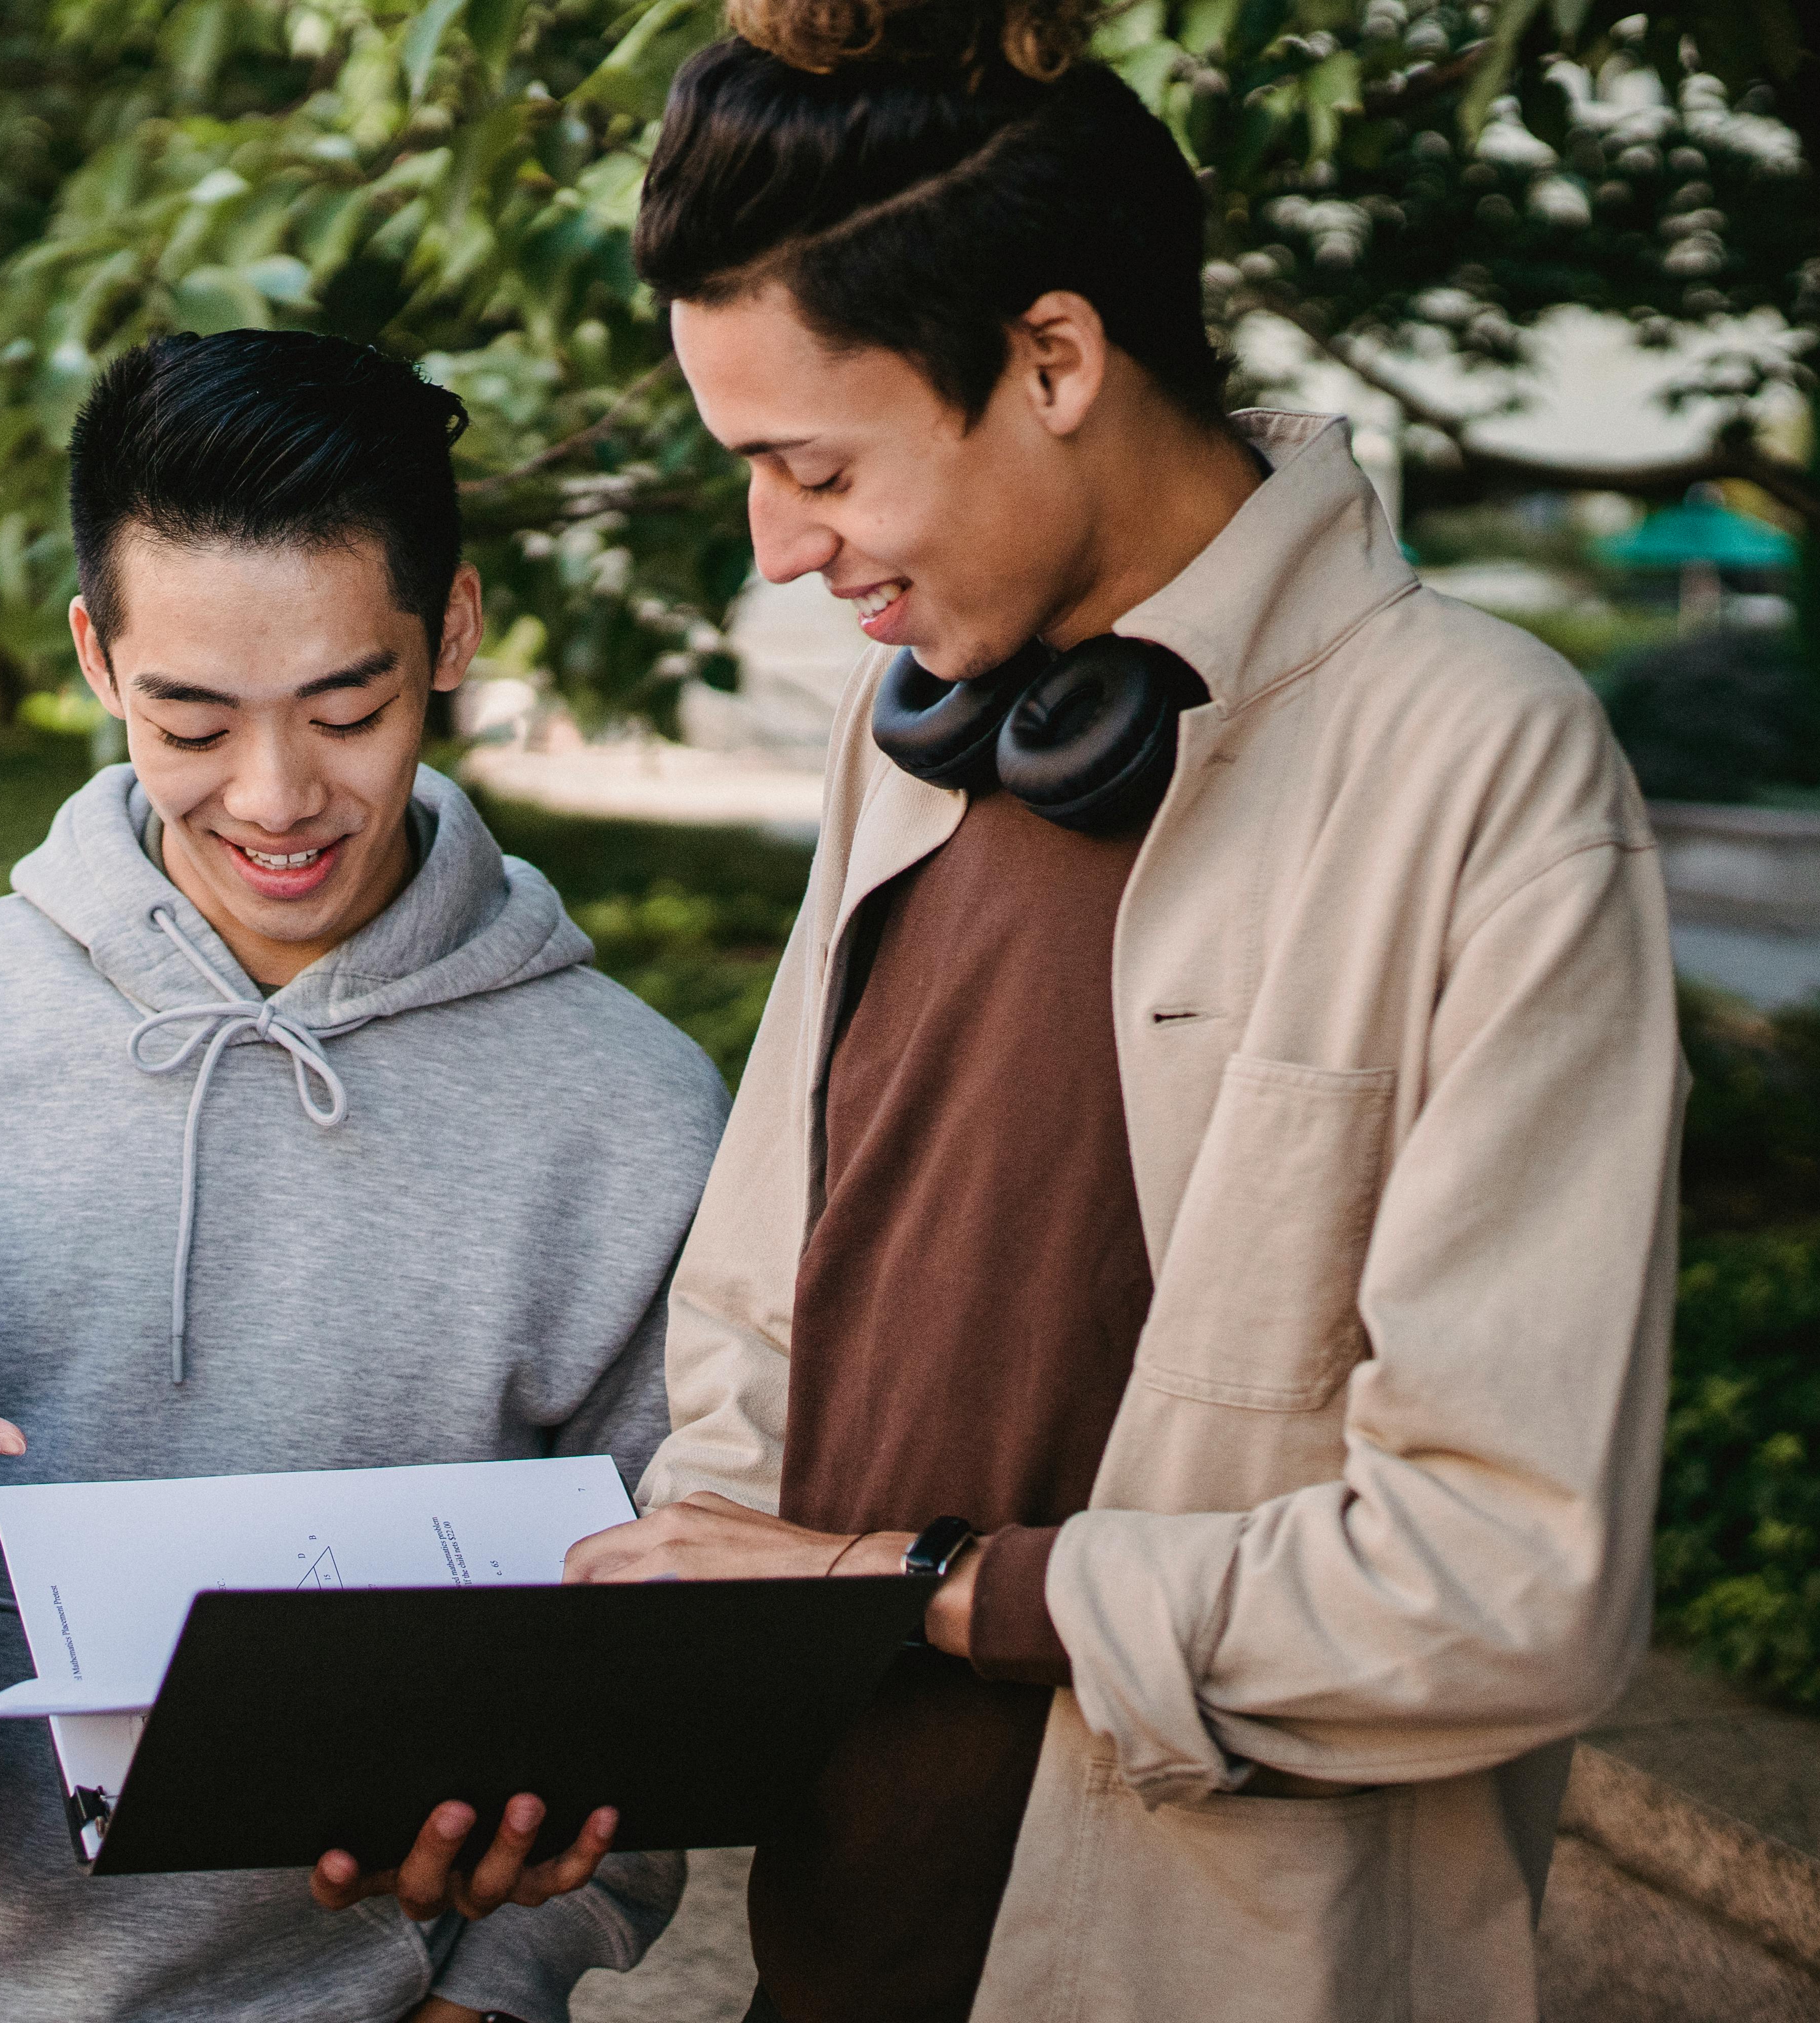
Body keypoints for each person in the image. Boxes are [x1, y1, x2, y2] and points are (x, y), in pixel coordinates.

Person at [561, 4, 1684, 2019]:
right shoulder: (905, 731)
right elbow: (754, 1323)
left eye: (816, 465)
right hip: (836, 1945)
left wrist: (935, 1594)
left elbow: (1516, 1582)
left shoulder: (1479, 763)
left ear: (1057, 359)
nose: (779, 545)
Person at [0, 328, 730, 2023]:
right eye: (192, 717)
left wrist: (512, 1969)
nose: (276, 796)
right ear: (98, 655)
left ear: (451, 632)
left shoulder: (631, 1110)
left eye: (348, 706)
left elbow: (688, 1609)